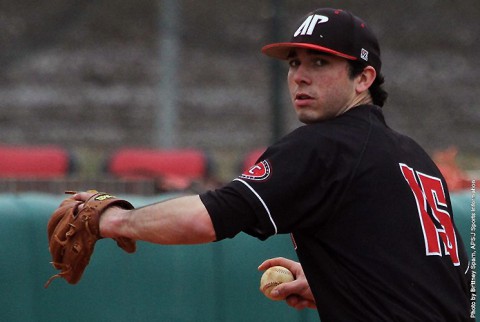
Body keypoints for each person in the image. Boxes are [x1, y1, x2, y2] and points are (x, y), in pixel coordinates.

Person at [74, 8, 471, 321]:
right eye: (294, 63)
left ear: (364, 78)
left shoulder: (324, 146)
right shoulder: (415, 157)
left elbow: (208, 218)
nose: (299, 76)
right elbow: (449, 282)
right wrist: (335, 286)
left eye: (319, 63)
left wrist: (115, 220)